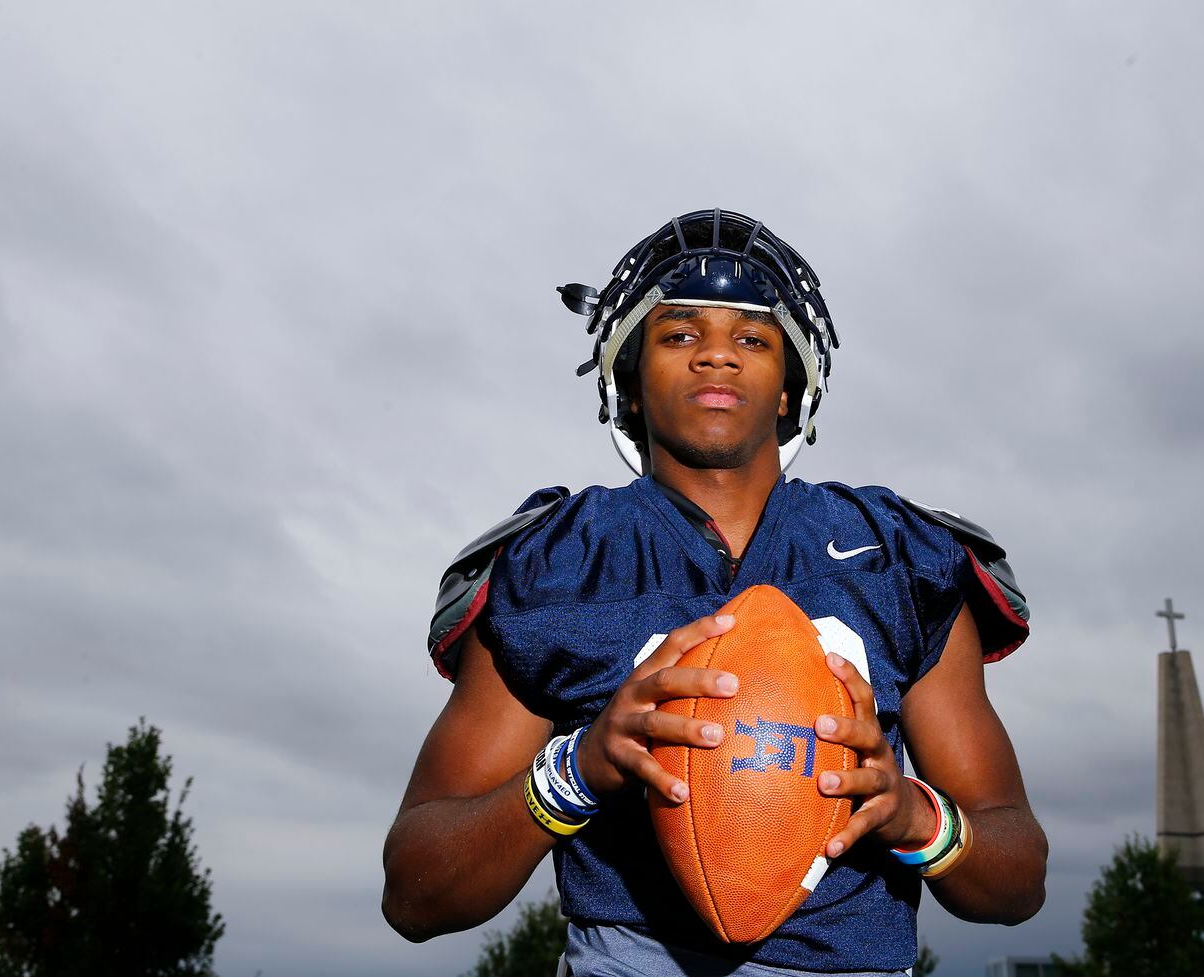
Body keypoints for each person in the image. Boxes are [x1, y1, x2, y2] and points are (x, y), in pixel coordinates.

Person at [382, 209, 1047, 976]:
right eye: (679, 334)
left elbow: (1018, 879)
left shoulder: (897, 555)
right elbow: (415, 894)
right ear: (629, 384)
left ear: (790, 390)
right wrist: (580, 769)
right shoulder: (560, 562)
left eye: (753, 338)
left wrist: (912, 813)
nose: (717, 355)